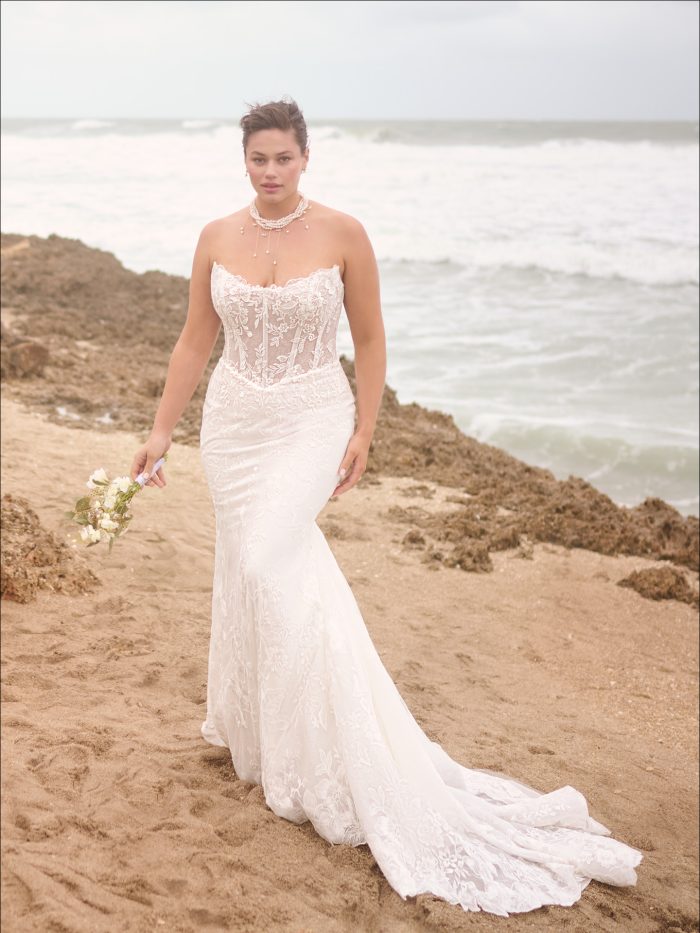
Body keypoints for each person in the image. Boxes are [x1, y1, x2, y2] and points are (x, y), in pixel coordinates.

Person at [130, 97, 642, 916]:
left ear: (306, 159)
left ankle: (331, 754)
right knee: (260, 571)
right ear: (244, 160)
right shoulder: (215, 237)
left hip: (308, 417)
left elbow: (368, 340)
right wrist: (160, 431)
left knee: (270, 561)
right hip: (232, 425)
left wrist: (365, 428)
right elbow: (196, 339)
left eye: (282, 159)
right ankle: (265, 737)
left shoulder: (344, 234)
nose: (269, 173)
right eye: (257, 159)